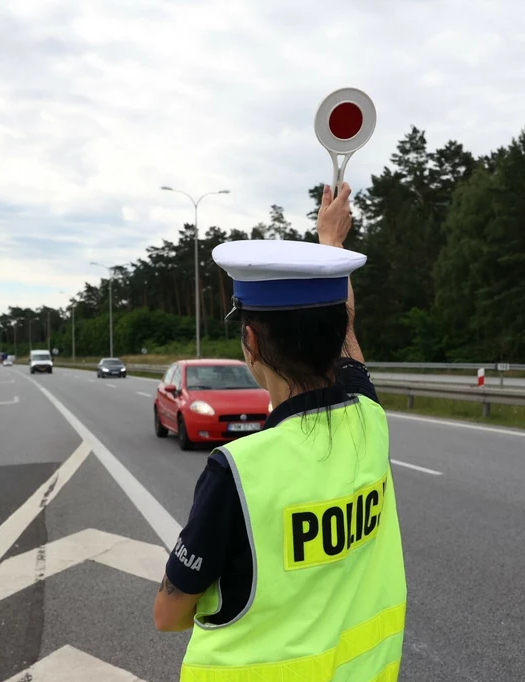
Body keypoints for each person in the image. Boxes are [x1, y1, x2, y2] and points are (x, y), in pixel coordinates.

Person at [153, 182, 407, 681]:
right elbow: (349, 333)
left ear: (249, 340)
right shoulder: (368, 420)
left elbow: (169, 615)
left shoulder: (240, 471)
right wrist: (331, 248)